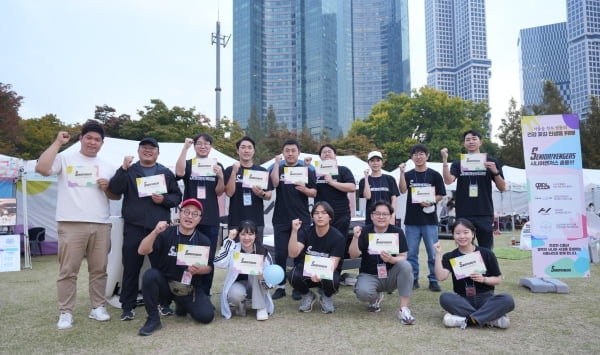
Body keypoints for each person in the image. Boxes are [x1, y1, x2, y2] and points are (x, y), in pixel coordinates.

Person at [35, 123, 119, 330]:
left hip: (101, 223)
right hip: (71, 223)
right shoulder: (64, 158)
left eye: (97, 139)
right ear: (81, 138)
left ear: (102, 143)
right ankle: (66, 312)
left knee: (99, 270)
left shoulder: (108, 166)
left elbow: (116, 195)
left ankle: (97, 307)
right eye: (89, 138)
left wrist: (107, 188)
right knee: (68, 271)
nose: (92, 142)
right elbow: (42, 169)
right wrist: (57, 142)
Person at [108, 137, 182, 321]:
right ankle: (128, 306)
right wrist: (123, 168)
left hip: (160, 228)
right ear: (139, 150)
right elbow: (115, 189)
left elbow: (177, 197)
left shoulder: (165, 172)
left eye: (152, 148)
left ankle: (163, 303)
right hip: (134, 227)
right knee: (131, 267)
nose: (148, 151)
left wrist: (163, 200)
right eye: (144, 148)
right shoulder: (130, 171)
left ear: (158, 152)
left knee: (162, 268)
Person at [137, 199, 214, 335]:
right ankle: (153, 319)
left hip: (189, 288)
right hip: (165, 286)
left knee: (206, 316)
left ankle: (182, 304)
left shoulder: (203, 240)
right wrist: (155, 232)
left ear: (199, 219)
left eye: (195, 214)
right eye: (186, 212)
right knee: (150, 275)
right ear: (179, 213)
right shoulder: (166, 234)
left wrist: (200, 270)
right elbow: (142, 251)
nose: (189, 216)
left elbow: (209, 267)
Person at [434, 218, 515, 329]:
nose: (462, 236)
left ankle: (467, 320)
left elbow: (497, 279)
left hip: (486, 298)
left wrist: (484, 279)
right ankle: (489, 319)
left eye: (466, 232)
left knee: (507, 299)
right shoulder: (450, 256)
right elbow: (440, 276)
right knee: (445, 297)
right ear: (453, 235)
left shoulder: (486, 253)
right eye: (457, 233)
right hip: (463, 299)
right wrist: (438, 255)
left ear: (473, 234)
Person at [349, 201, 415, 325]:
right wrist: (355, 238)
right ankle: (375, 298)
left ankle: (404, 308)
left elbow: (403, 256)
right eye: (377, 213)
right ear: (371, 216)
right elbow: (353, 255)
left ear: (390, 216)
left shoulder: (397, 232)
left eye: (385, 214)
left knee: (406, 266)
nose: (381, 217)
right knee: (363, 292)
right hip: (370, 275)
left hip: (390, 275)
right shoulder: (364, 231)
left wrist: (392, 260)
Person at [176, 133, 225, 296]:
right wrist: (185, 148)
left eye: (206, 143)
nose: (203, 146)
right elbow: (179, 172)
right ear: (195, 146)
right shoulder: (189, 164)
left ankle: (205, 293)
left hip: (210, 218)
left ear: (211, 146)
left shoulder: (217, 165)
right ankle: (186, 291)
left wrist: (220, 175)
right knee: (187, 257)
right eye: (199, 143)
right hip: (189, 220)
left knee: (208, 259)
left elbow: (219, 192)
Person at [441, 130, 506, 249]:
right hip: (464, 212)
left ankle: (486, 268)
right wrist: (445, 161)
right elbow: (448, 181)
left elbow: (502, 187)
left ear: (480, 142)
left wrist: (495, 172)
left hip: (484, 212)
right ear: (464, 143)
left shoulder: (491, 162)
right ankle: (468, 268)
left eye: (474, 139)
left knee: (486, 249)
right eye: (468, 139)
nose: (471, 142)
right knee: (465, 247)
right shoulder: (458, 163)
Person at [269, 139, 317, 300]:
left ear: (298, 153)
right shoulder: (279, 168)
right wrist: (276, 164)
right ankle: (280, 286)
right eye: (287, 150)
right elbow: (274, 183)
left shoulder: (306, 169)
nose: (290, 153)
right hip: (281, 218)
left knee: (300, 254)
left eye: (293, 150)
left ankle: (297, 285)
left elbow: (314, 193)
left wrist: (305, 189)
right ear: (283, 153)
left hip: (301, 217)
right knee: (281, 254)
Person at [399, 144, 446, 292]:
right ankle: (413, 279)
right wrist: (401, 173)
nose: (418, 157)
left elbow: (441, 194)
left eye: (421, 154)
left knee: (432, 253)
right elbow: (402, 190)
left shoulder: (434, 175)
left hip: (429, 221)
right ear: (412, 157)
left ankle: (433, 279)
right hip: (411, 221)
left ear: (427, 156)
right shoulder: (409, 174)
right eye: (415, 154)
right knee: (412, 253)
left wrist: (431, 200)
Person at [288, 201, 345, 313]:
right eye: (316, 213)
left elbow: (333, 263)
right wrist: (294, 231)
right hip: (307, 270)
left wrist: (320, 273)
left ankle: (327, 296)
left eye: (323, 213)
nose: (319, 216)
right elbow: (293, 253)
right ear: (312, 217)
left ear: (330, 217)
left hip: (326, 272)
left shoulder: (338, 237)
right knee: (293, 275)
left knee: (334, 281)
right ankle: (307, 295)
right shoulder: (305, 232)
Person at [214, 220, 274, 320]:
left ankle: (260, 307)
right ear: (238, 235)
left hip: (257, 287)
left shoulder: (262, 251)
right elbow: (218, 262)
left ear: (255, 235)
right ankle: (240, 305)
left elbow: (271, 280)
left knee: (254, 270)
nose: (247, 238)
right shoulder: (233, 249)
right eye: (243, 234)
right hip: (238, 285)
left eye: (250, 234)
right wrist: (229, 240)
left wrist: (262, 277)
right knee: (235, 294)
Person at [223, 136, 273, 246]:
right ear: (237, 150)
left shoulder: (261, 171)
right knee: (234, 254)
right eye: (243, 147)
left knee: (256, 254)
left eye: (250, 148)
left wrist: (262, 194)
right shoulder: (230, 170)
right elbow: (229, 193)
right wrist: (234, 172)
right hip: (236, 220)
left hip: (256, 221)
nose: (246, 150)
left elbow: (269, 195)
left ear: (254, 151)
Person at [314, 144, 355, 244]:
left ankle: (338, 260)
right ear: (320, 157)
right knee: (321, 244)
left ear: (335, 155)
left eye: (329, 151)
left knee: (338, 243)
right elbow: (310, 190)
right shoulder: (315, 172)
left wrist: (333, 183)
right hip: (321, 215)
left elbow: (352, 187)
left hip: (341, 215)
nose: (327, 154)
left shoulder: (343, 170)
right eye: (324, 152)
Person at [359, 151, 400, 225]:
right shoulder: (363, 181)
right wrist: (366, 178)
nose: (375, 163)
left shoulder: (390, 179)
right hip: (372, 217)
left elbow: (394, 198)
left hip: (387, 216)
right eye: (372, 161)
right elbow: (367, 197)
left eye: (378, 160)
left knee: (388, 236)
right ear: (368, 163)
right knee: (372, 236)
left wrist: (392, 215)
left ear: (382, 162)